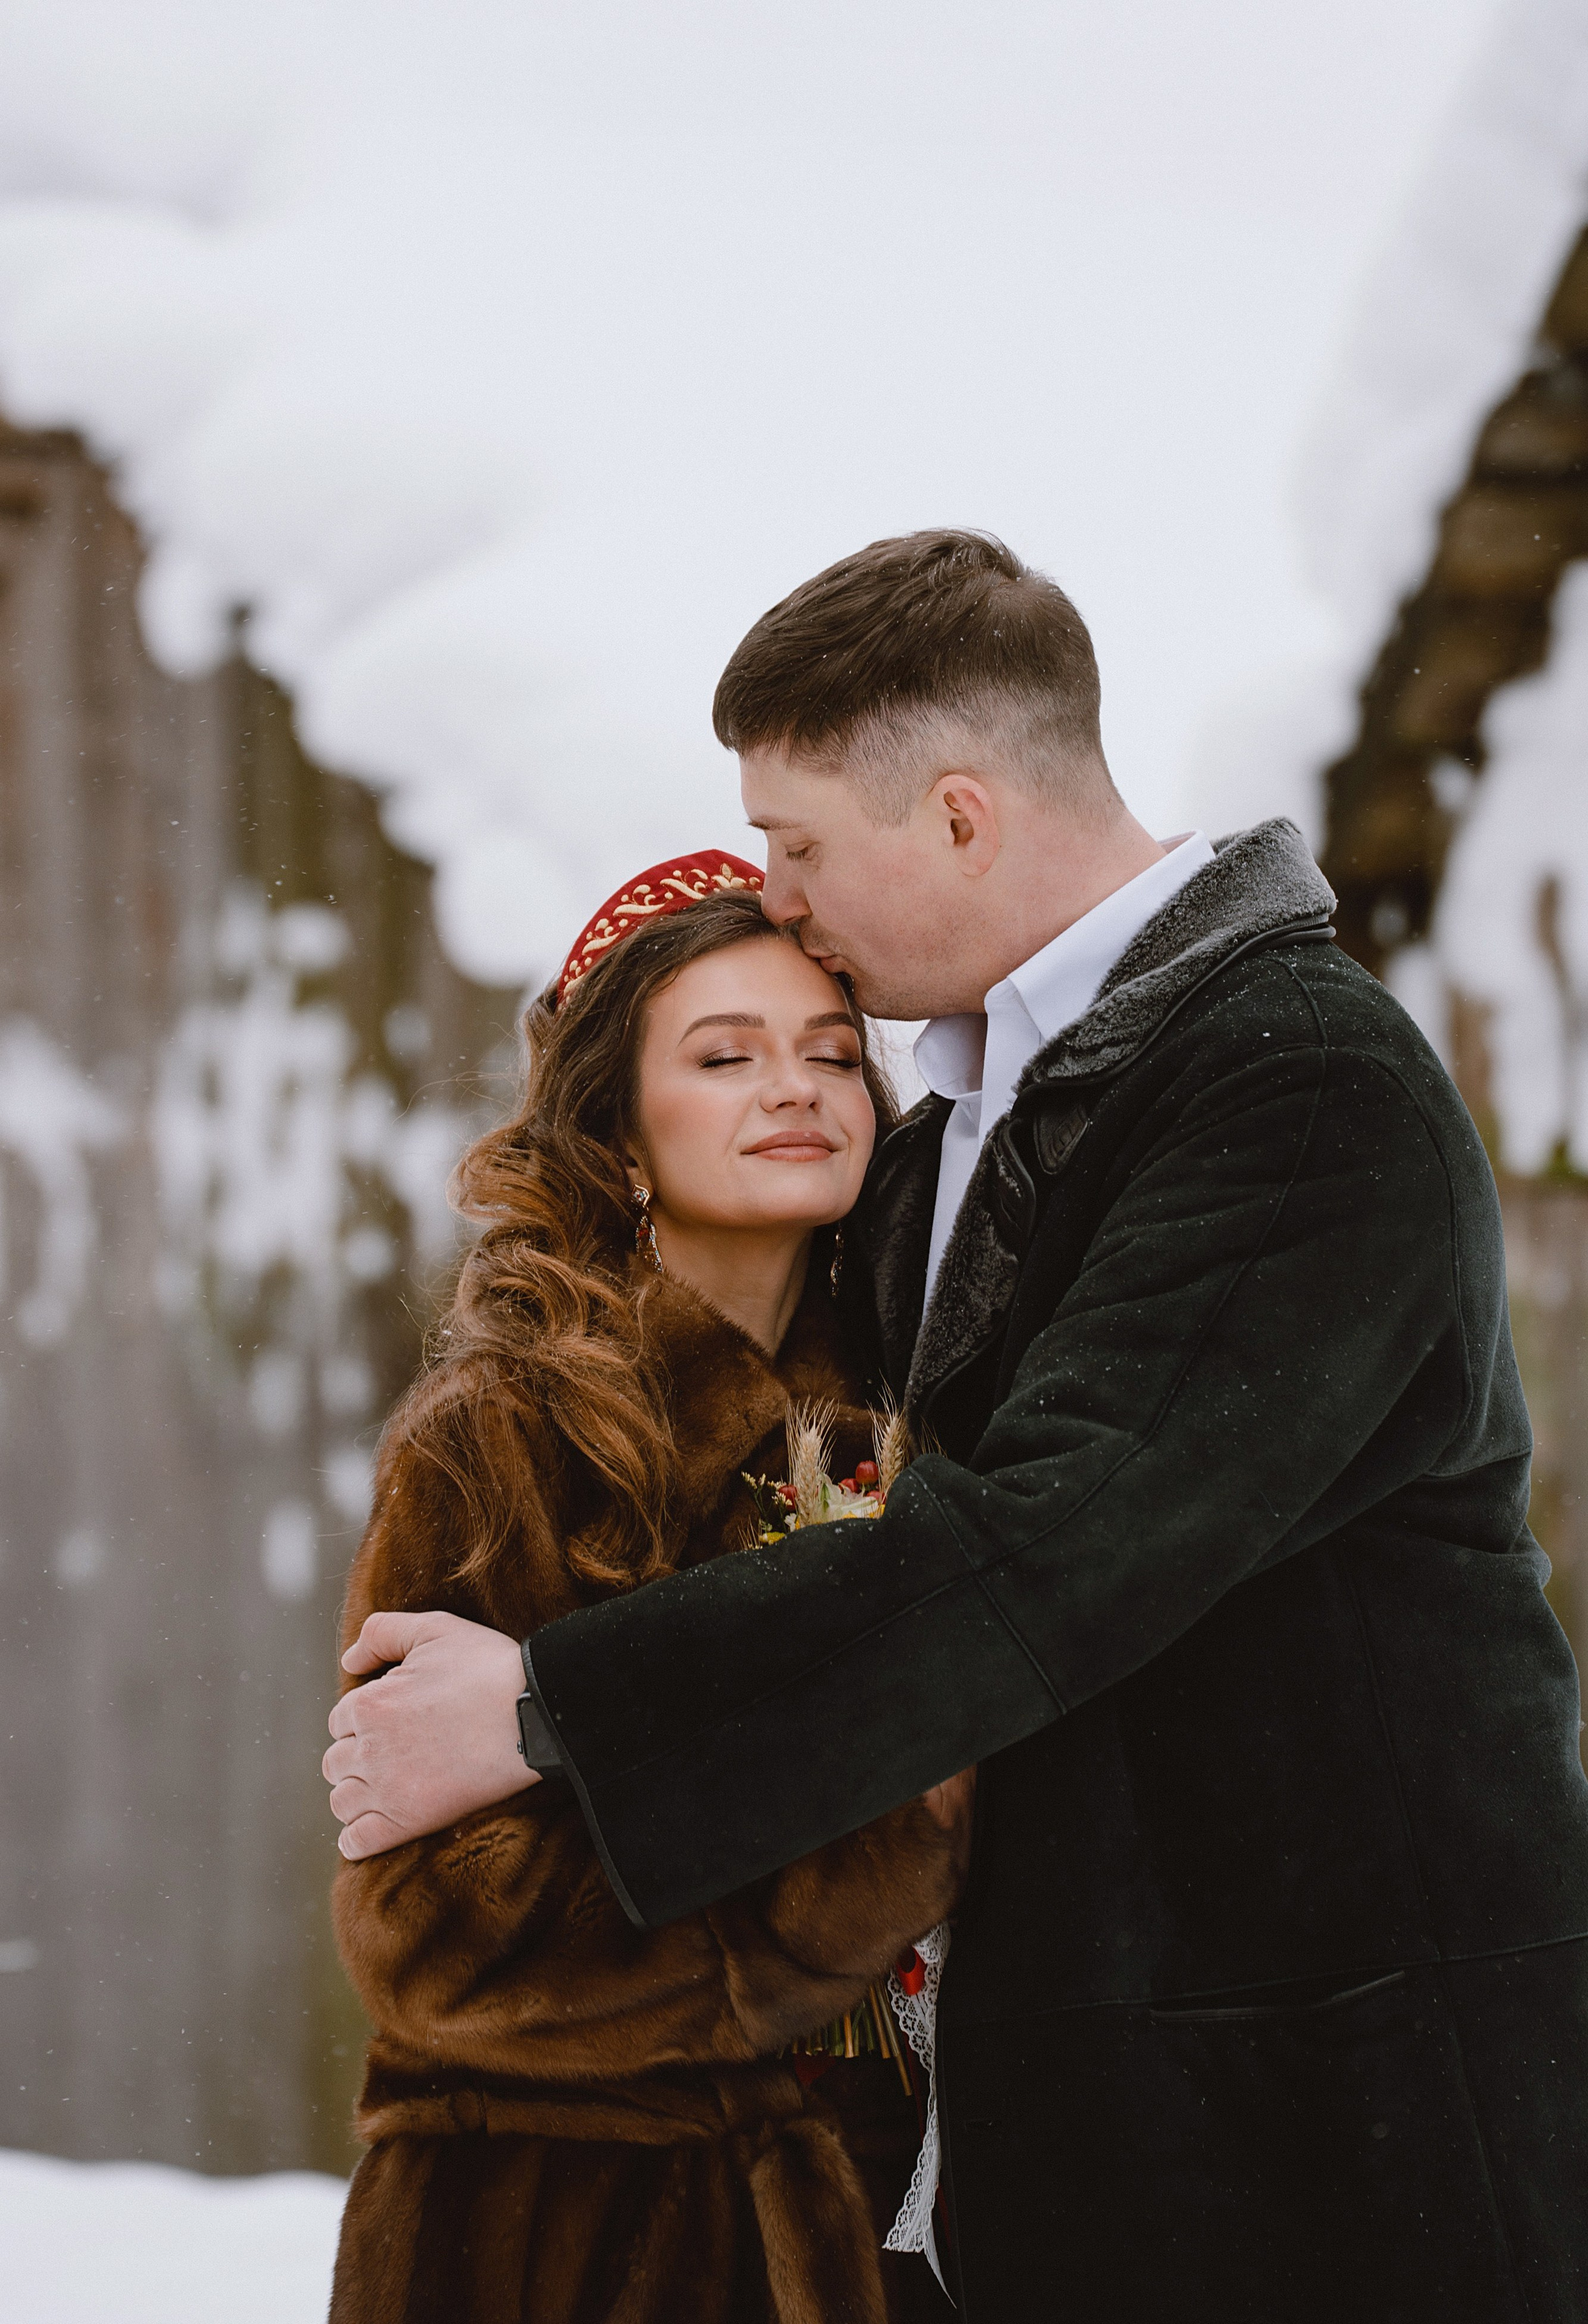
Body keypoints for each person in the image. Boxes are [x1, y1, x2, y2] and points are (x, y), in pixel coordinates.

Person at [327, 532, 1588, 2322]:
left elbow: (1051, 1550)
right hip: (1032, 2170)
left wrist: (553, 1710)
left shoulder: (1296, 1085)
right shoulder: (951, 1145)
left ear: (964, 819)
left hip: (1329, 2149)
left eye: (802, 844)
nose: (781, 894)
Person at [327, 863, 971, 2324]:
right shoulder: (500, 1431)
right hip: (566, 2235)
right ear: (615, 1124)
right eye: (724, 1055)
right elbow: (443, 1938)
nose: (795, 1088)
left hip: (885, 2227)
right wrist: (891, 1846)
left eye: (828, 1052)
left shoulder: (911, 1416)